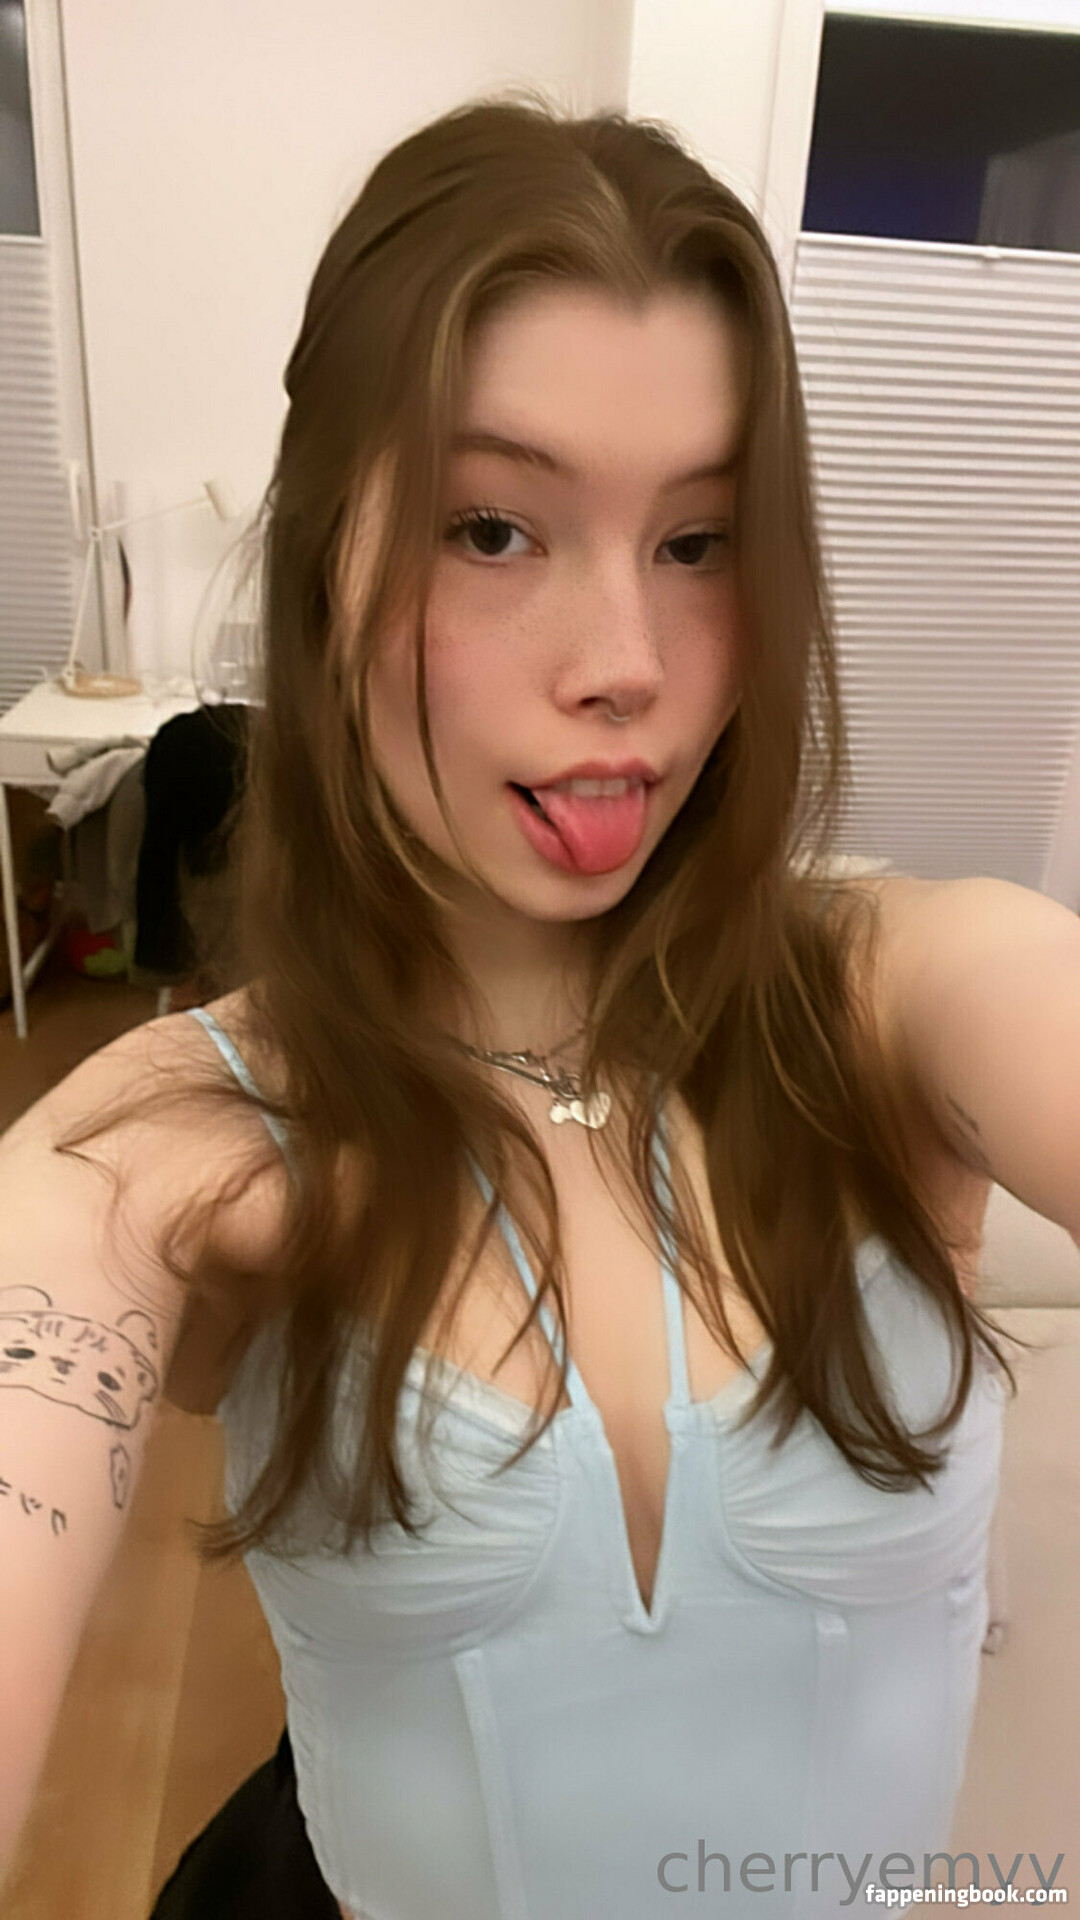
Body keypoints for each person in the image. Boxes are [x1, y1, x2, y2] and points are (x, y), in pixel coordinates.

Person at [0, 86, 1039, 1920]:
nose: (626, 666)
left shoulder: (897, 1002)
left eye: (699, 543)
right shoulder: (173, 1148)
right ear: (328, 558)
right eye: (493, 529)